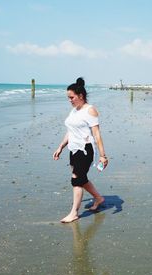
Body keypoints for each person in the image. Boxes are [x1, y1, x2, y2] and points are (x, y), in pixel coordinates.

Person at [53, 77, 108, 223]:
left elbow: (97, 134)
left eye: (71, 97)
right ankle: (99, 198)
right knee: (81, 178)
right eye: (68, 98)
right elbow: (70, 131)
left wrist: (103, 156)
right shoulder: (74, 111)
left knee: (76, 180)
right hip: (74, 149)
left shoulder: (90, 110)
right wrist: (61, 147)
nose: (69, 100)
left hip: (85, 150)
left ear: (80, 96)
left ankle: (74, 213)